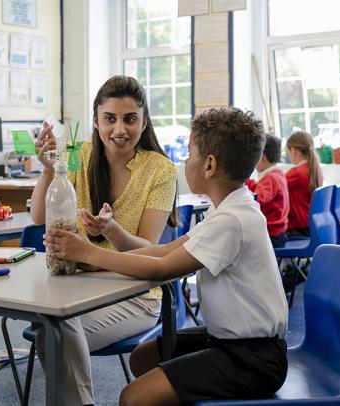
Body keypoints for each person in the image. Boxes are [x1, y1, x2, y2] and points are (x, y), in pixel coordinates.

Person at [45, 107, 289, 406]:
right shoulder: (227, 209)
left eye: (189, 153)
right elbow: (162, 250)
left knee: (133, 398)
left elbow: (162, 268)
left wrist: (89, 250)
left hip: (251, 358)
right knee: (143, 358)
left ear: (209, 165)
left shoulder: (232, 221)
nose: (185, 161)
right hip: (233, 342)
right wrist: (95, 257)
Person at [30, 75, 178, 405]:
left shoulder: (160, 170)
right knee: (53, 326)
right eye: (110, 119)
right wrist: (45, 170)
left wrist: (110, 231)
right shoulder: (79, 155)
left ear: (143, 121)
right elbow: (38, 217)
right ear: (96, 121)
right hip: (77, 285)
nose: (119, 129)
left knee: (55, 329)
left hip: (137, 293)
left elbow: (150, 253)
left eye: (130, 119)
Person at [245, 133, 289, 248]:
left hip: (271, 235)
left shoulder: (270, 179)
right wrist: (246, 181)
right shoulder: (277, 173)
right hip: (279, 234)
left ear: (261, 157)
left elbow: (257, 200)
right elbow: (261, 189)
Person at [285, 131, 323, 236]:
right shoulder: (315, 169)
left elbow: (277, 186)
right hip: (309, 225)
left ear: (294, 151)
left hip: (296, 227)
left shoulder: (296, 173)